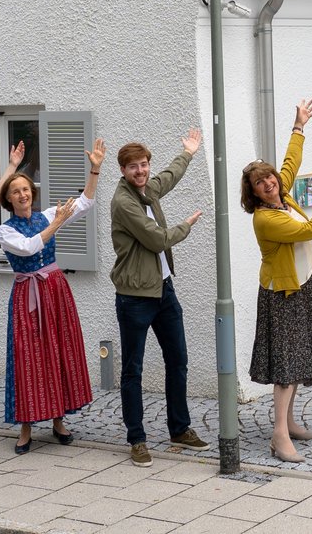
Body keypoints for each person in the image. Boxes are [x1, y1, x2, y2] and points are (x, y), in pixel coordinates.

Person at [0, 137, 105, 454]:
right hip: (27, 295)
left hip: (55, 290)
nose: (22, 194)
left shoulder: (46, 215)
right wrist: (56, 222)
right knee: (27, 356)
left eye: (25, 189)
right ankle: (26, 427)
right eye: (16, 191)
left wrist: (95, 170)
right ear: (9, 199)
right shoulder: (5, 231)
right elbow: (29, 247)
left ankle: (59, 420)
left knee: (57, 350)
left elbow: (84, 203)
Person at [243, 99, 312, 463]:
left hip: (304, 283)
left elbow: (289, 164)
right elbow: (310, 228)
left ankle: (289, 423)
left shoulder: (280, 192)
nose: (269, 183)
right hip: (284, 292)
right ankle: (279, 436)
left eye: (269, 178)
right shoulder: (266, 218)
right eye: (260, 182)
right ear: (252, 192)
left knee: (297, 359)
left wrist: (299, 126)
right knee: (286, 365)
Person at [111, 130, 209, 466]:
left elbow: (167, 179)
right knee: (132, 370)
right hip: (135, 297)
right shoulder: (124, 202)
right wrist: (186, 225)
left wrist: (188, 153)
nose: (140, 171)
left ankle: (179, 429)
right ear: (123, 170)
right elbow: (156, 240)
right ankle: (137, 439)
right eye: (133, 166)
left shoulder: (146, 189)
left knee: (178, 360)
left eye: (144, 164)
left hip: (164, 290)